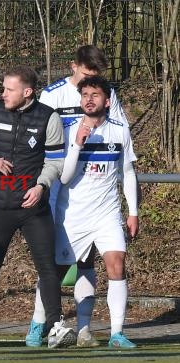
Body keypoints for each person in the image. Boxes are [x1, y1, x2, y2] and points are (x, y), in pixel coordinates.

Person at [0, 65, 76, 348]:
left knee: (47, 268)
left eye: (9, 90)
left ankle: (56, 328)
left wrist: (41, 187)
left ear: (27, 92)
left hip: (33, 208)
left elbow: (55, 162)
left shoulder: (48, 118)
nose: (3, 94)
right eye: (3, 88)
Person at [26, 45, 131, 348]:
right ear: (74, 67)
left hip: (96, 195)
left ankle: (85, 329)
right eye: (87, 74)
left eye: (97, 76)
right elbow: (39, 137)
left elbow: (119, 129)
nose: (92, 81)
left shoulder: (104, 95)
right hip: (60, 191)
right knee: (56, 267)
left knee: (88, 261)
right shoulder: (53, 95)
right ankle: (38, 323)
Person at [53, 75, 139, 348]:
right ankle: (48, 326)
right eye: (85, 95)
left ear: (107, 100)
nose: (89, 100)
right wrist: (78, 144)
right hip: (72, 214)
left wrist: (133, 211)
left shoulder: (119, 130)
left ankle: (116, 333)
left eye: (95, 95)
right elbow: (64, 178)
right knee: (58, 273)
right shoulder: (69, 130)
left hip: (107, 214)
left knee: (116, 264)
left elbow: (127, 172)